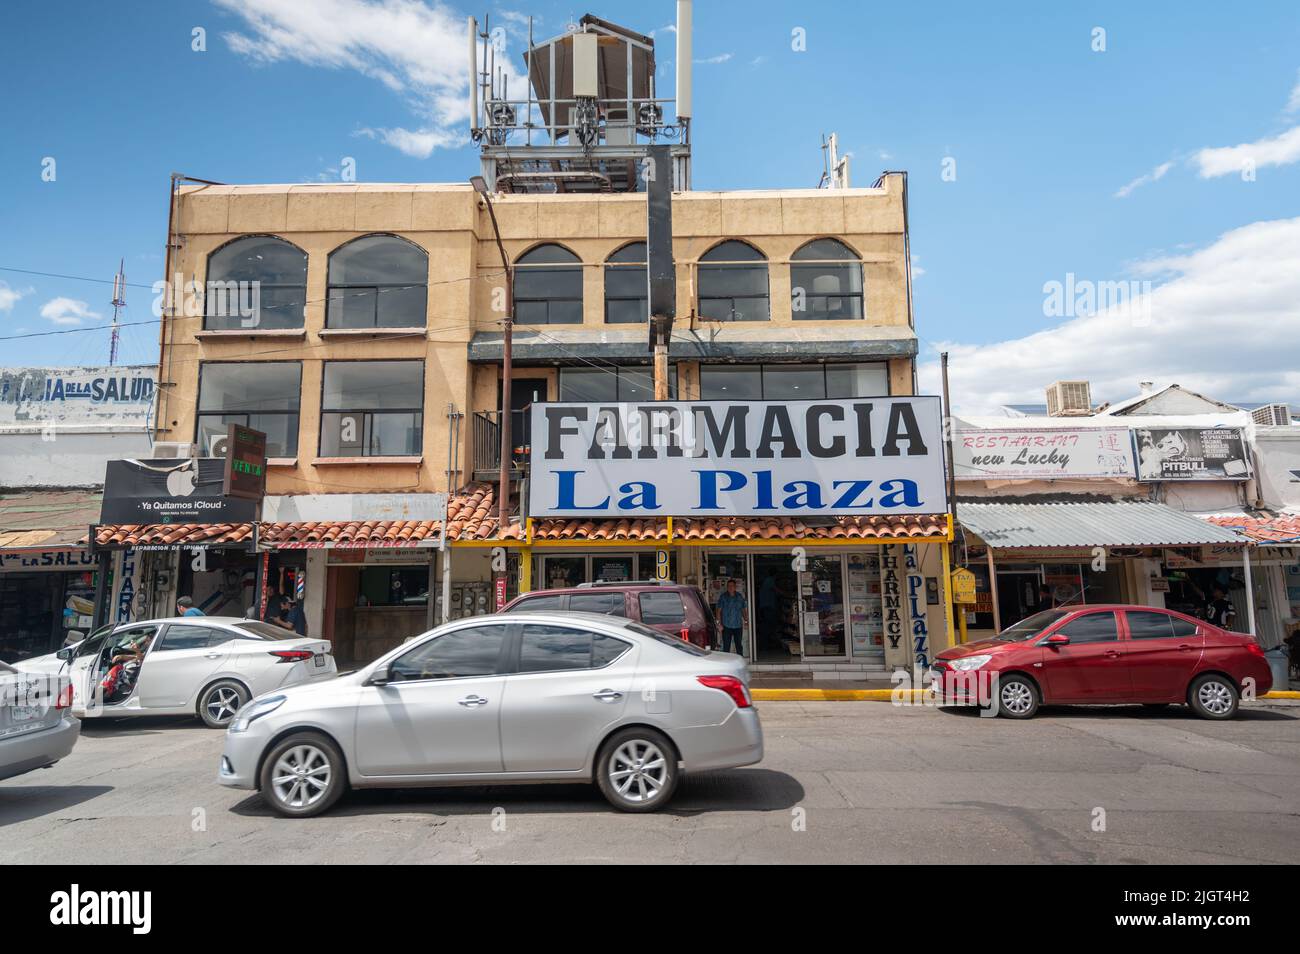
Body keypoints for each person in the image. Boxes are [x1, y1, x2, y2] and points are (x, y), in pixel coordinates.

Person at [715, 578, 748, 655]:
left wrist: (746, 621)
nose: (730, 587)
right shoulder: (723, 597)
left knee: (739, 646)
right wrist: (718, 624)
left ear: (735, 587)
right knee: (726, 647)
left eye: (732, 586)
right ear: (727, 587)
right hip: (726, 626)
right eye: (729, 586)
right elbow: (718, 611)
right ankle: (727, 665)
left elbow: (743, 610)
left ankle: (740, 662)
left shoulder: (739, 597)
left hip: (738, 626)